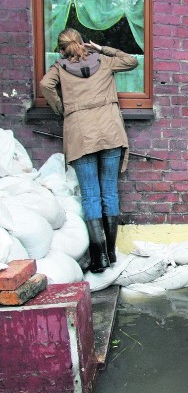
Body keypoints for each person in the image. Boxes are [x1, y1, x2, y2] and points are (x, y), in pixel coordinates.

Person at [40, 28, 138, 273]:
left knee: (91, 195)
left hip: (81, 135)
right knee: (109, 192)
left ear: (61, 48)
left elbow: (45, 84)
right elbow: (132, 61)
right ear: (83, 43)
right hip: (110, 132)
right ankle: (111, 252)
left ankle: (99, 257)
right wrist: (103, 48)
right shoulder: (103, 61)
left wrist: (62, 109)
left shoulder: (59, 68)